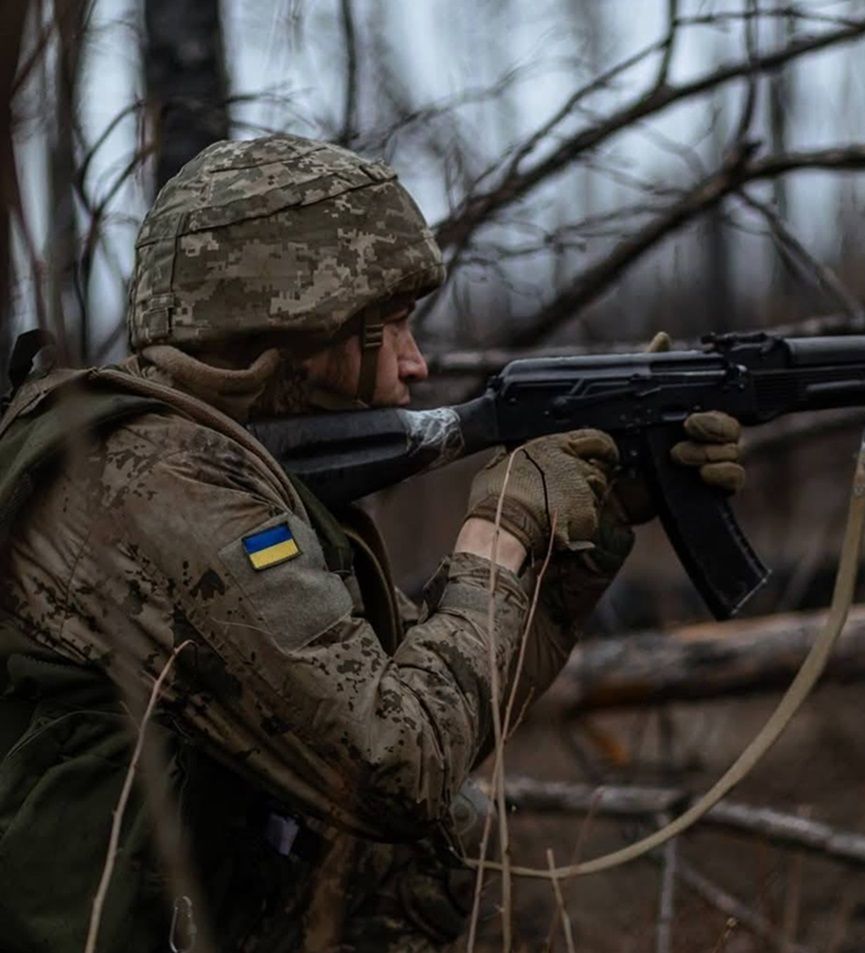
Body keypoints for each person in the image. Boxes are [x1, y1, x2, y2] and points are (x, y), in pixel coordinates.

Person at [0, 134, 745, 952]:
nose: (416, 364)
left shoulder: (209, 465)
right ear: (299, 325)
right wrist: (500, 529)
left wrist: (579, 537)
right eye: (390, 327)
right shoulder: (159, 482)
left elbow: (443, 701)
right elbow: (397, 761)